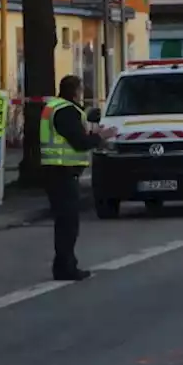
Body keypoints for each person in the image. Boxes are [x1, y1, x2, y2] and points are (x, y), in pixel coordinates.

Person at [40, 75, 116, 281]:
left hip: (55, 171)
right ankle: (66, 267)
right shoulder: (66, 110)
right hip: (61, 172)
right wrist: (102, 137)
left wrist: (96, 135)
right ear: (75, 91)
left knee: (65, 221)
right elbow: (78, 141)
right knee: (68, 223)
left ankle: (63, 265)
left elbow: (74, 133)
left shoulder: (54, 107)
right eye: (80, 90)